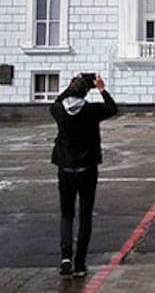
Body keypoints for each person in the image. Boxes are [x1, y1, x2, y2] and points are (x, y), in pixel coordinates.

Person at [51, 73, 118, 277]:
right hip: (87, 168)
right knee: (85, 215)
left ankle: (65, 258)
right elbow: (112, 108)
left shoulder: (59, 110)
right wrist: (101, 88)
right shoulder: (91, 110)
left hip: (66, 167)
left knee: (66, 214)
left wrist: (74, 84)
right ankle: (80, 264)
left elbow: (57, 101)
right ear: (86, 91)